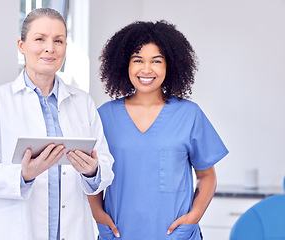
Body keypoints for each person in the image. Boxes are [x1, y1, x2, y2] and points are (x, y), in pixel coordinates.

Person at [0, 8, 114, 240]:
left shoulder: (83, 102)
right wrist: (22, 175)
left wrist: (92, 170)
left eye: (58, 40)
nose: (50, 48)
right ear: (21, 45)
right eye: (40, 39)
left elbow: (105, 165)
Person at [87, 20, 229, 240]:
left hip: (175, 235)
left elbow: (207, 176)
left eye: (156, 61)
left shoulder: (189, 115)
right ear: (125, 64)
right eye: (137, 60)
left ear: (169, 65)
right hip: (119, 233)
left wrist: (195, 215)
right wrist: (97, 213)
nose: (146, 69)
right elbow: (92, 173)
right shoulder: (104, 116)